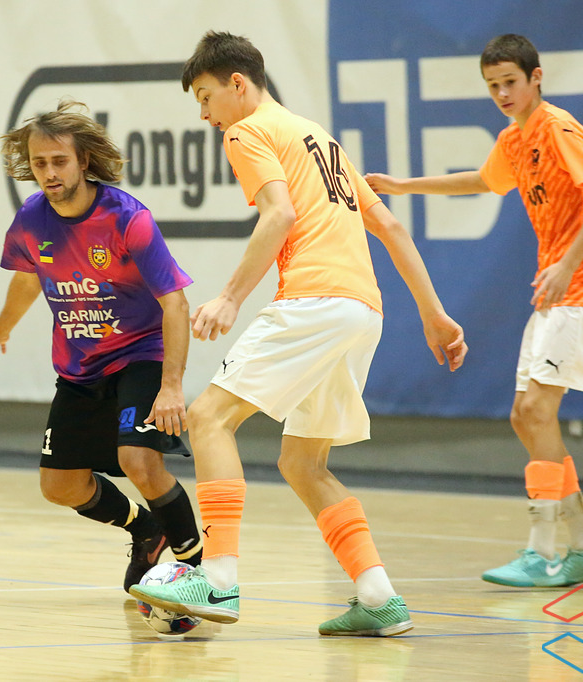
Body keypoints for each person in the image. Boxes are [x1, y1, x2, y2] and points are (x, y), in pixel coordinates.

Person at [129, 31, 467, 637]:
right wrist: (434, 314)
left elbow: (280, 214)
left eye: (205, 97)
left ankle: (218, 579)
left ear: (238, 84)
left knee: (208, 419)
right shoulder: (320, 137)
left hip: (314, 300)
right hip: (363, 311)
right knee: (304, 462)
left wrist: (230, 297)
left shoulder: (247, 131)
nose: (205, 116)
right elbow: (391, 227)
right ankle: (378, 596)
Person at [366, 34, 583, 588]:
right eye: (492, 86)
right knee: (524, 417)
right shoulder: (514, 138)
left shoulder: (557, 128)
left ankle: (543, 552)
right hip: (555, 291)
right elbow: (483, 181)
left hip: (581, 286)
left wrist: (565, 264)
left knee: (535, 412)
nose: (502, 93)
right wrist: (403, 185)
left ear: (536, 78)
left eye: (510, 82)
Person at [0, 99, 202, 593]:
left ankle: (198, 574)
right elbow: (28, 278)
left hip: (139, 355)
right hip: (80, 370)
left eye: (59, 161)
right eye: (39, 163)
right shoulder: (31, 220)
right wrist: (1, 330)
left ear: (84, 161)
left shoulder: (128, 219)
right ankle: (147, 529)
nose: (49, 173)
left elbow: (176, 304)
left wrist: (171, 386)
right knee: (60, 486)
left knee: (140, 462)